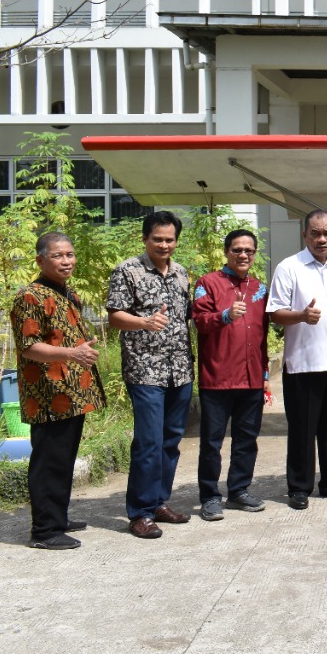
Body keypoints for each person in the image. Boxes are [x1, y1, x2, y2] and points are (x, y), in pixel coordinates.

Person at [12, 232, 107, 549]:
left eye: (70, 254)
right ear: (40, 260)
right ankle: (44, 531)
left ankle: (57, 517)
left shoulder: (68, 293)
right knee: (49, 460)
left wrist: (78, 353)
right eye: (58, 256)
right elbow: (29, 348)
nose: (67, 261)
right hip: (48, 395)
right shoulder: (30, 297)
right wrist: (72, 354)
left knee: (63, 458)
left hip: (73, 392)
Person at [107, 210, 194, 540]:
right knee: (148, 441)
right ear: (145, 239)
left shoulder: (183, 274)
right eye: (157, 238)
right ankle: (140, 513)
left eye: (170, 239)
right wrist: (143, 322)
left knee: (171, 440)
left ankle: (159, 502)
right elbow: (115, 316)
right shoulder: (127, 271)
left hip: (180, 371)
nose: (164, 244)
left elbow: (187, 317)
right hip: (145, 370)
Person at [266, 210, 327, 510]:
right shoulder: (289, 267)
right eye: (315, 233)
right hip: (303, 363)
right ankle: (299, 486)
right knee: (302, 430)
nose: (322, 239)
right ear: (304, 235)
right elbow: (275, 313)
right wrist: (302, 316)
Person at [191, 228, 270, 521]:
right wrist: (224, 316)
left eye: (249, 250)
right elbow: (199, 321)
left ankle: (238, 491)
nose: (243, 255)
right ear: (227, 252)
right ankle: (210, 496)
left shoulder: (259, 288)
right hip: (218, 378)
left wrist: (263, 373)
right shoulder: (208, 283)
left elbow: (262, 334)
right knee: (212, 441)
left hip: (251, 379)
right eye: (237, 249)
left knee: (246, 438)